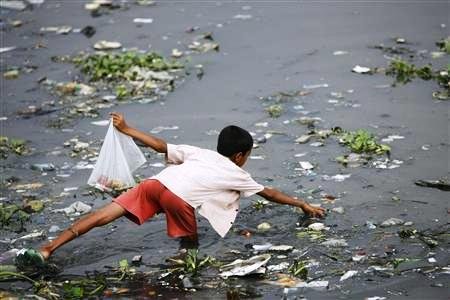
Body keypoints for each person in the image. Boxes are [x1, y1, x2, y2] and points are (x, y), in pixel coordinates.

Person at [38, 112, 325, 260]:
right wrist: (302, 204)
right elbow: (270, 193)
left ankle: (49, 249)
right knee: (190, 245)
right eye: (248, 156)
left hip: (155, 183)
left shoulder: (200, 152)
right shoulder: (235, 172)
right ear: (240, 156)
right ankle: (179, 272)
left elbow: (159, 145)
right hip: (178, 198)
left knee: (101, 216)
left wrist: (126, 128)